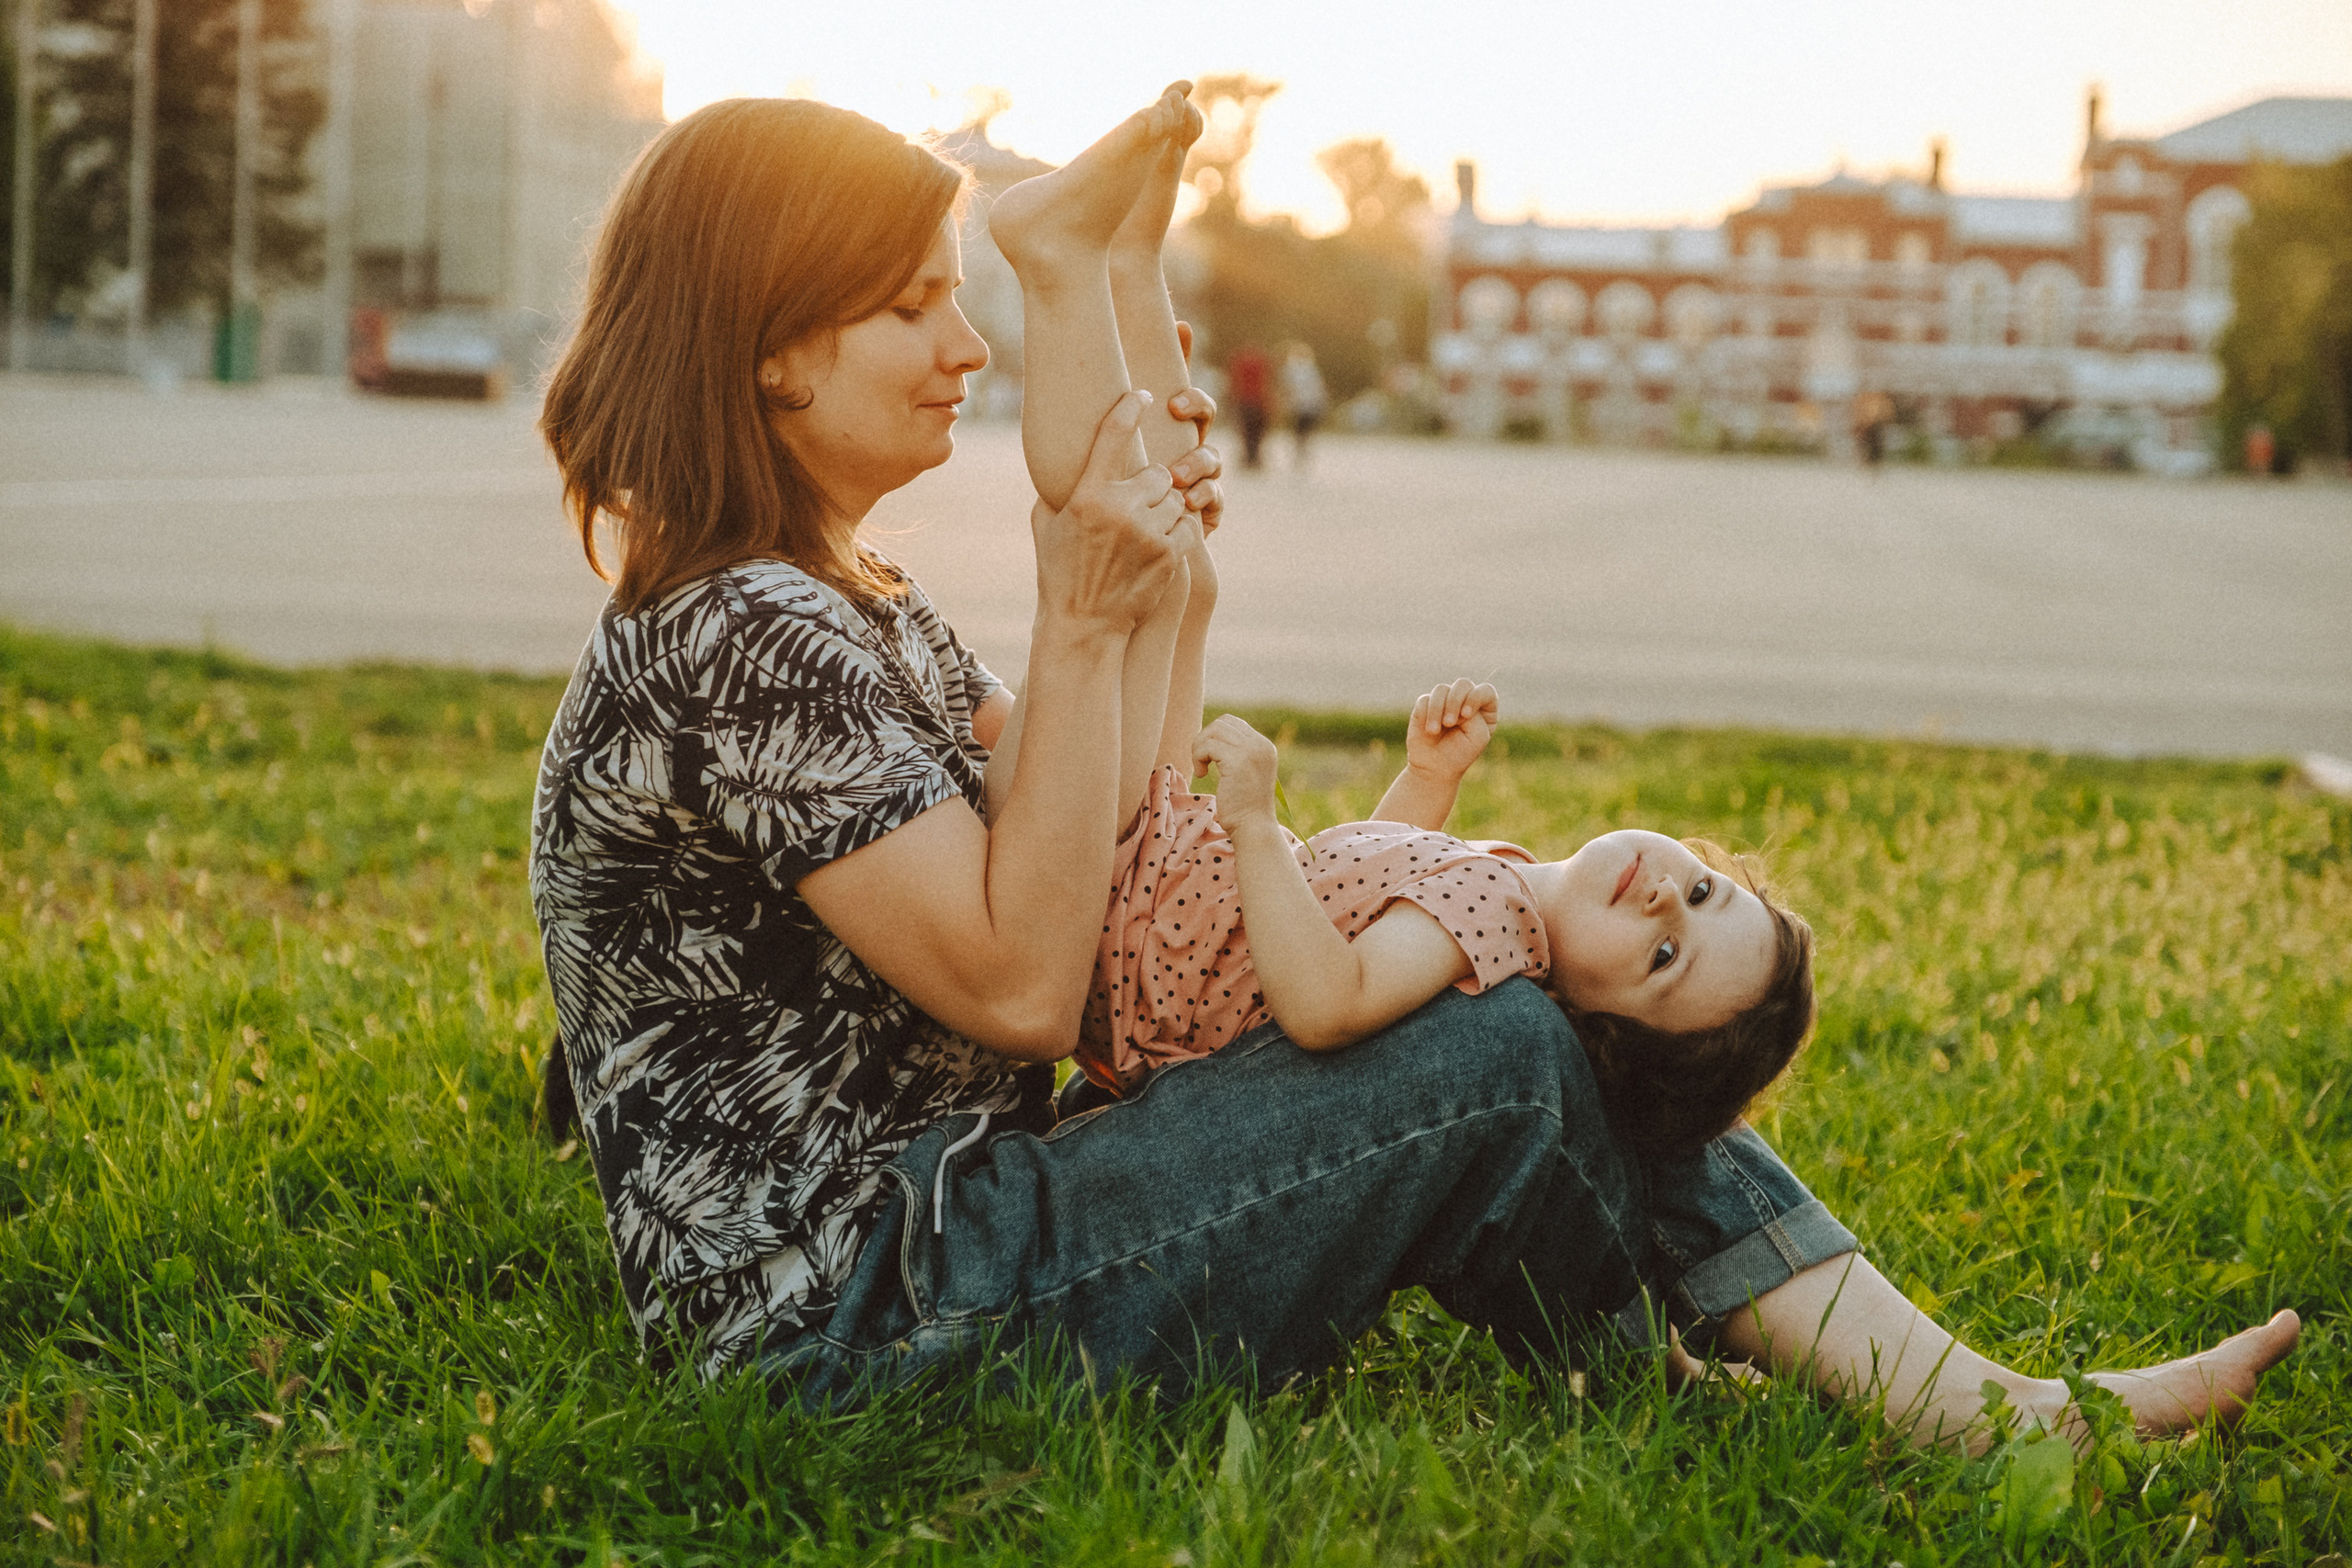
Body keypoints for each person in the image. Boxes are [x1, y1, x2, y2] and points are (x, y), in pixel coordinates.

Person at [529, 91, 2298, 1450]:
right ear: (771, 342)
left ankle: (1935, 1391)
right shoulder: (730, 633)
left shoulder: (848, 607)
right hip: (865, 1321)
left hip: (964, 1227)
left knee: (1528, 981)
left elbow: (1099, 828)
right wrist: (1083, 619)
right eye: (914, 311)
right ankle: (1807, 1401)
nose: (970, 349)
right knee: (1505, 1031)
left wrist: (1154, 599)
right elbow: (1017, 978)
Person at [1064, 674, 1811, 1171]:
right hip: (1165, 911)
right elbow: (1366, 915)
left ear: (1597, 1029)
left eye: (1666, 954)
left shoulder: (1500, 917)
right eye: (1706, 889)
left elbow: (1332, 1000)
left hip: (1146, 928)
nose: (1666, 900)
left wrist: (1257, 822)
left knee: (1094, 684)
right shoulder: (1507, 886)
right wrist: (1427, 782)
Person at [1281, 342, 1328, 469]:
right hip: (1311, 404)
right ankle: (1304, 452)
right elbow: (1319, 386)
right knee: (1306, 431)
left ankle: (1299, 453)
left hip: (1297, 404)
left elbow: (1287, 387)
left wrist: (1285, 402)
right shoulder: (1312, 368)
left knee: (1298, 431)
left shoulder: (1290, 369)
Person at [1226, 343, 1271, 468]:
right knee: (1257, 431)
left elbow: (1234, 382)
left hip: (1244, 400)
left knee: (1246, 430)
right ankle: (1254, 457)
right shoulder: (1262, 363)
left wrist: (1232, 400)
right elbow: (1266, 382)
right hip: (1258, 401)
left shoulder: (1239, 362)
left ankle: (1248, 456)